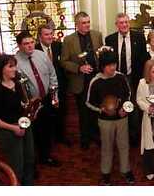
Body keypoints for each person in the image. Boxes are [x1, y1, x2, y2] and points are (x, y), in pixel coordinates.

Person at [86, 49, 135, 186]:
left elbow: (128, 95)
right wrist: (101, 110)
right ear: (102, 66)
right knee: (107, 147)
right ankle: (106, 173)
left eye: (114, 64)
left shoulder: (120, 77)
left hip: (121, 119)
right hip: (105, 122)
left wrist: (125, 109)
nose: (113, 67)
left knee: (124, 145)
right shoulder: (96, 82)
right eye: (109, 65)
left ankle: (126, 170)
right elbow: (88, 102)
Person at [0, 54, 35, 185]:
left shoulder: (18, 83)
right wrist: (14, 128)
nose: (15, 69)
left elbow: (22, 105)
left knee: (30, 160)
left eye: (15, 66)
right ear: (1, 69)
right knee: (16, 166)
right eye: (11, 66)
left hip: (24, 125)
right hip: (9, 130)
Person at [15, 31, 60, 167]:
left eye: (31, 42)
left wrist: (54, 96)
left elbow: (52, 75)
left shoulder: (41, 55)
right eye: (25, 44)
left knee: (46, 130)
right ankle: (31, 163)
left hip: (46, 99)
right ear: (19, 46)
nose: (29, 46)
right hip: (29, 105)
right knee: (32, 134)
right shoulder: (15, 62)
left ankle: (45, 157)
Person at [61, 12, 103, 149]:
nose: (87, 25)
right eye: (83, 23)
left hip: (96, 80)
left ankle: (96, 136)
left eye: (88, 22)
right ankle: (84, 139)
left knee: (96, 110)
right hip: (80, 81)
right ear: (77, 24)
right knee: (83, 112)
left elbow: (101, 55)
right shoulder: (69, 40)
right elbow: (64, 62)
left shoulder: (97, 35)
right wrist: (79, 68)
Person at [105, 12, 147, 146]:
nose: (124, 25)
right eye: (121, 23)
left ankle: (134, 137)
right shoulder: (109, 39)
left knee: (133, 106)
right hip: (116, 78)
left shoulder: (139, 37)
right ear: (116, 25)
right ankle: (119, 137)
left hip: (132, 78)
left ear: (129, 23)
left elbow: (143, 59)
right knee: (118, 105)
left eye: (126, 22)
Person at [36, 24, 69, 146]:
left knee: (61, 113)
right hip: (43, 89)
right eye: (46, 34)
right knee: (46, 115)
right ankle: (48, 140)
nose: (50, 37)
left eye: (51, 34)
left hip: (60, 87)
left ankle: (61, 137)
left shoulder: (58, 46)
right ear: (40, 36)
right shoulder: (35, 49)